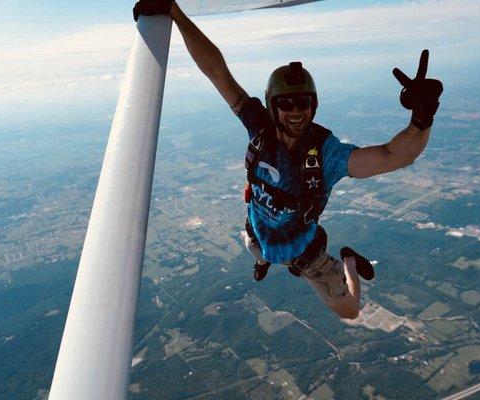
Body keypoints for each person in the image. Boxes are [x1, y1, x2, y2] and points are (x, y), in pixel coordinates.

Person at [133, 0, 443, 319]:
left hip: (306, 253)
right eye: (287, 103)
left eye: (303, 102)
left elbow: (394, 156)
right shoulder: (260, 127)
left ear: (314, 104)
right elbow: (217, 73)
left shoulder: (326, 154)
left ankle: (347, 262)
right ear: (272, 106)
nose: (296, 111)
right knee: (256, 248)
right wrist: (175, 13)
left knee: (349, 311)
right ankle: (264, 260)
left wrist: (422, 117)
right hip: (257, 234)